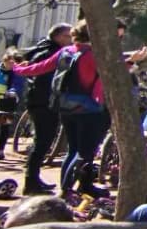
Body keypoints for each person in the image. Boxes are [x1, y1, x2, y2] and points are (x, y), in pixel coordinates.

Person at [9, 20, 109, 199]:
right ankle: (69, 190)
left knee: (72, 150)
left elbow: (38, 68)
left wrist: (16, 67)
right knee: (84, 152)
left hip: (64, 107)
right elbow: (114, 70)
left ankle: (66, 189)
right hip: (88, 108)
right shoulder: (95, 55)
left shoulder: (65, 52)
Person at [18, 22, 74, 195]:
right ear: (57, 36)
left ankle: (34, 178)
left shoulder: (44, 50)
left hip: (41, 101)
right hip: (43, 103)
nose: (71, 39)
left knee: (42, 142)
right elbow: (44, 79)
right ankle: (31, 182)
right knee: (42, 142)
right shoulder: (51, 53)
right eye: (67, 36)